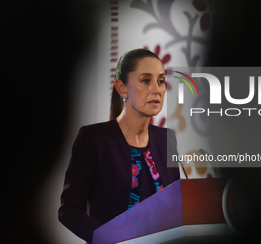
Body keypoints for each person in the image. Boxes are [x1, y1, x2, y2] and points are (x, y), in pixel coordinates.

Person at [58, 48, 180, 244]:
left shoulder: (167, 138)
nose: (157, 89)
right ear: (121, 87)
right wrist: (109, 237)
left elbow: (176, 205)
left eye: (161, 81)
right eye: (146, 80)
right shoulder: (93, 138)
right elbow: (68, 210)